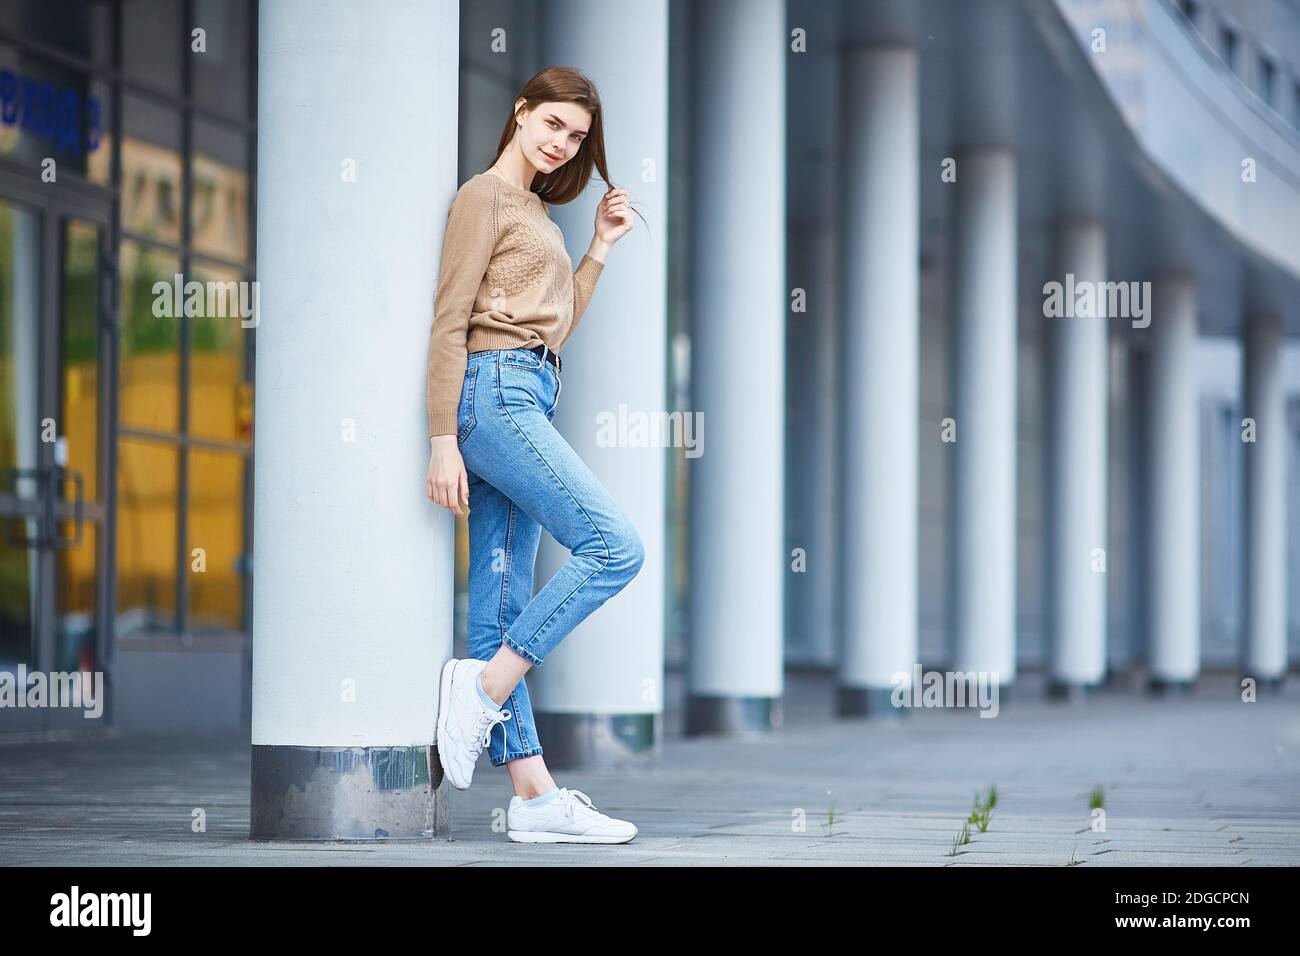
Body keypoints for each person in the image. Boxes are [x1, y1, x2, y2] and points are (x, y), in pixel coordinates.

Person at [425, 66, 646, 844]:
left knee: (503, 595)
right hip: (493, 395)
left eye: (577, 136)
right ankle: (481, 687)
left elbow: (552, 323)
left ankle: (532, 798)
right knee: (615, 547)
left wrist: (600, 247)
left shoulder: (538, 216)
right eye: (552, 124)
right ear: (520, 113)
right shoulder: (482, 196)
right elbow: (451, 319)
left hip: (530, 386)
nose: (562, 143)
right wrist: (444, 437)